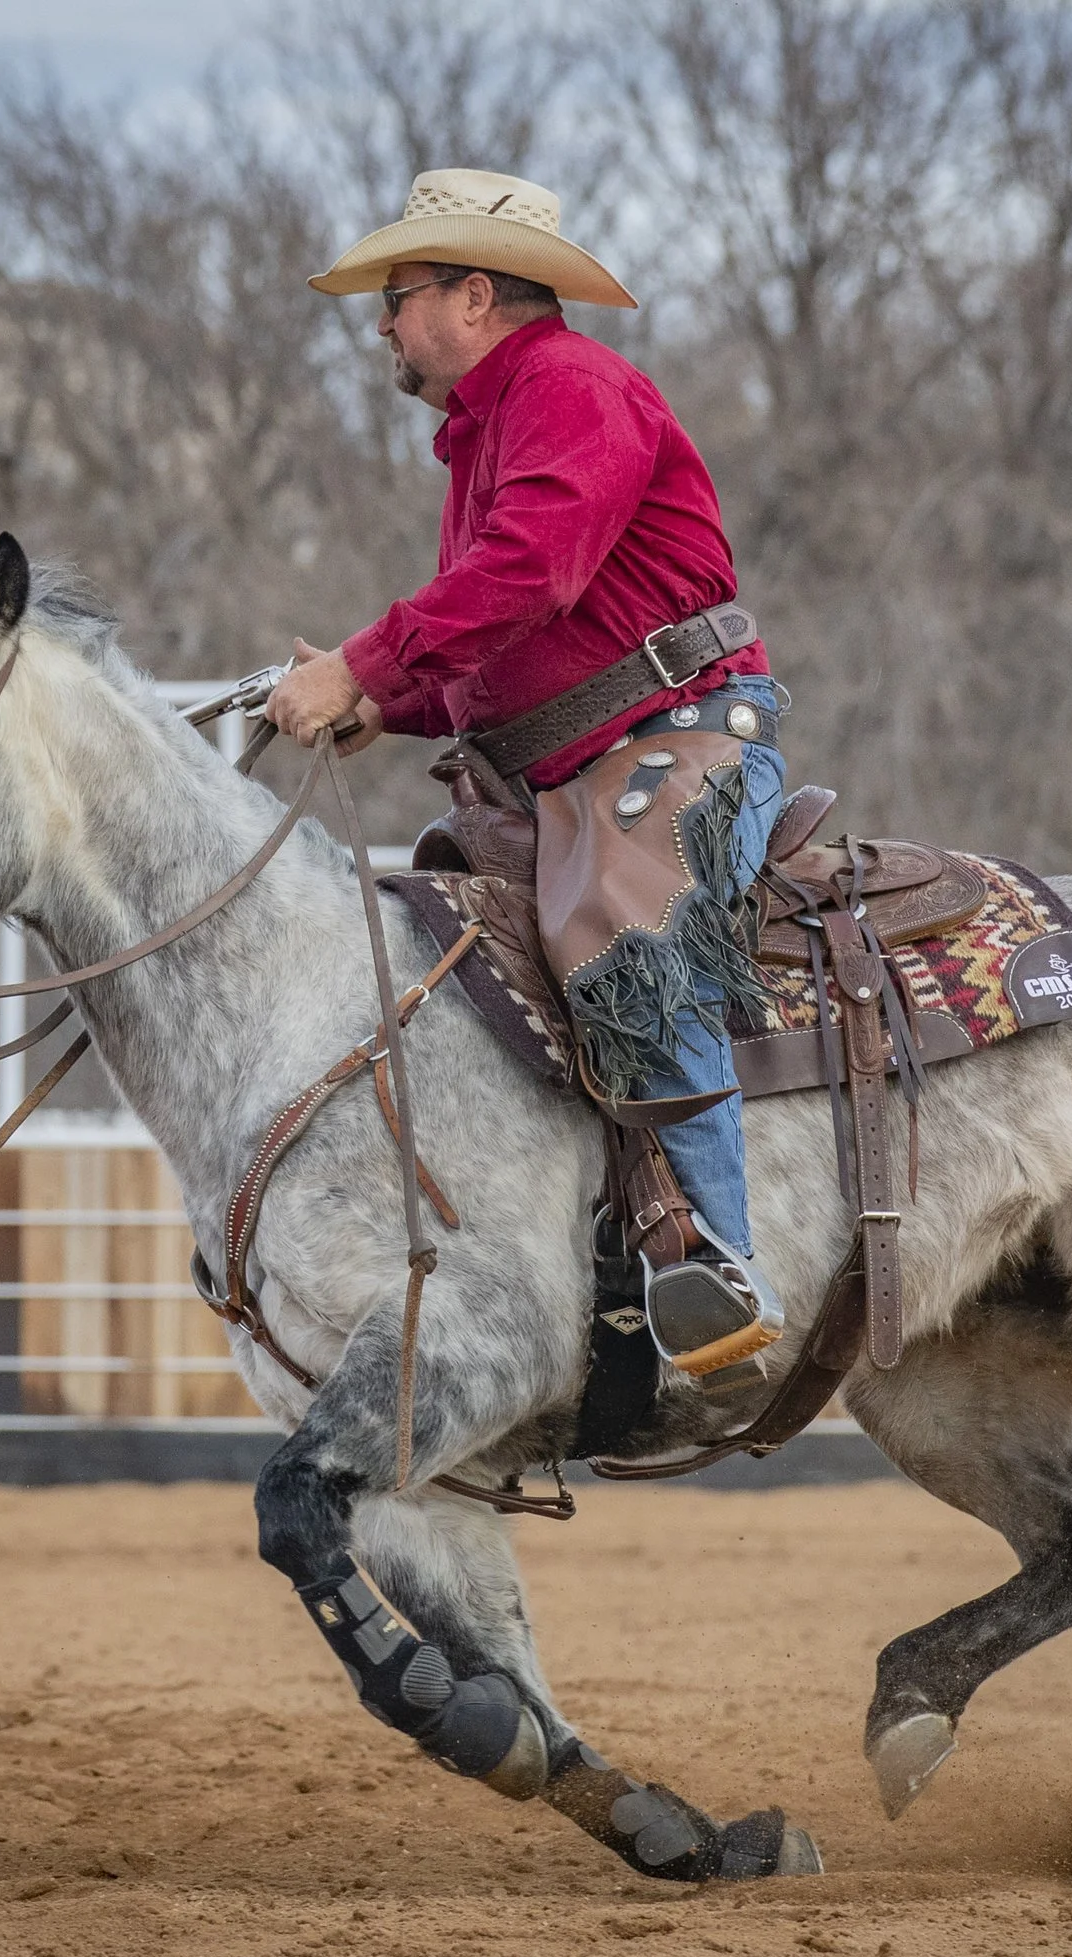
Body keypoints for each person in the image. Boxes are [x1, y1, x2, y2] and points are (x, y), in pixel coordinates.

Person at [263, 168, 785, 1378]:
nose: (381, 326)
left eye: (396, 297)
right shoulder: (496, 425)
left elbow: (527, 573)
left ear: (473, 295)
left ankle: (719, 1265)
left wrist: (361, 663)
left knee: (626, 932)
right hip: (580, 762)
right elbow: (517, 642)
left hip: (683, 738)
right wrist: (385, 698)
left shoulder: (570, 388)